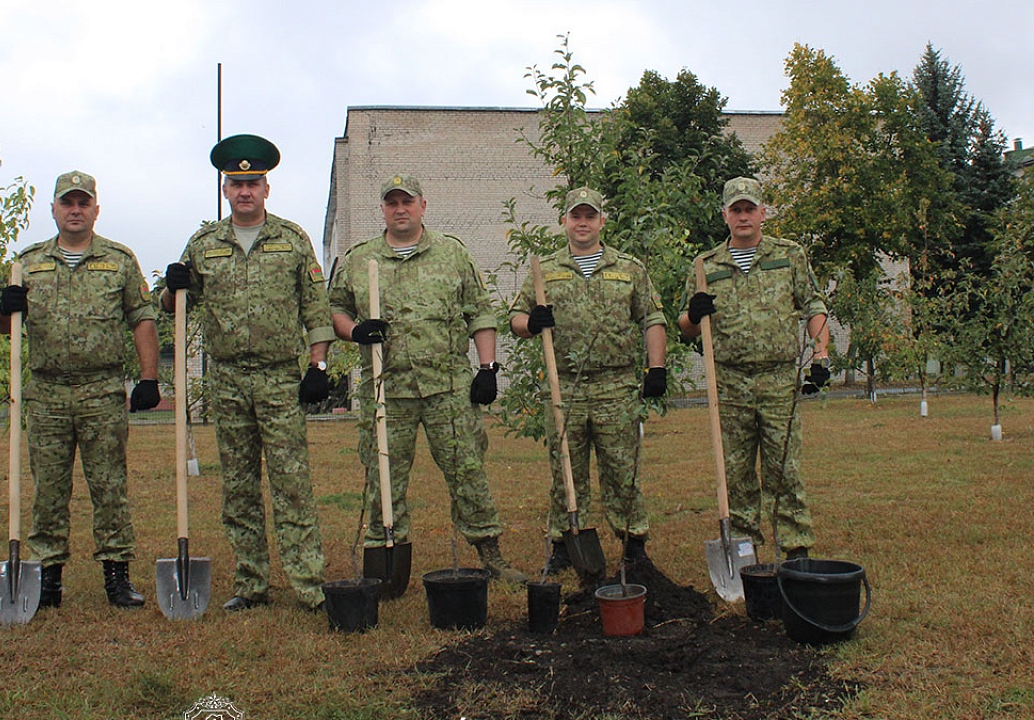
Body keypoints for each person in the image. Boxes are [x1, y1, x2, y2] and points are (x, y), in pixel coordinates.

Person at [160, 134, 331, 612]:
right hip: (229, 378)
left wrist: (317, 365)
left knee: (291, 481)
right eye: (236, 184)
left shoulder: (292, 240)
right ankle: (251, 582)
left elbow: (315, 308)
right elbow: (174, 306)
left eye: (253, 183)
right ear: (225, 190)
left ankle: (307, 581)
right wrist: (173, 286)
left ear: (267, 188)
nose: (245, 192)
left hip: (279, 377)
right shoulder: (204, 244)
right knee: (238, 485)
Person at [329, 174, 525, 584]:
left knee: (467, 471)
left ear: (423, 205)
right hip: (387, 389)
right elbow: (334, 311)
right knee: (382, 476)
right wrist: (355, 331)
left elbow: (481, 312)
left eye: (408, 201)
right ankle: (386, 560)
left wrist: (487, 369)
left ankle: (491, 554)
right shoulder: (359, 260)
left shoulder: (452, 254)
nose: (400, 209)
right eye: (392, 202)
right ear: (382, 209)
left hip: (448, 388)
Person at [0, 170, 161, 609]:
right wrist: (4, 309)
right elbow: (1, 322)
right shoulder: (27, 264)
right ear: (53, 209)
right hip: (47, 393)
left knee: (109, 487)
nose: (75, 210)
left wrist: (148, 378)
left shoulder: (119, 261)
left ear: (96, 210)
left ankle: (117, 576)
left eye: (83, 203)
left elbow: (142, 318)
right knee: (48, 489)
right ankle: (47, 580)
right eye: (67, 203)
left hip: (101, 391)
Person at [510, 187, 668, 580]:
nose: (582, 223)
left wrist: (656, 367)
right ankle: (564, 545)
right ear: (564, 221)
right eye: (575, 216)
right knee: (566, 469)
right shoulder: (544, 270)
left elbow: (652, 318)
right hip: (565, 389)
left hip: (616, 386)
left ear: (601, 221)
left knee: (622, 468)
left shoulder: (629, 268)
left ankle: (634, 547)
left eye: (590, 216)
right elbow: (514, 318)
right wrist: (531, 324)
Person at [678, 176, 831, 561]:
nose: (743, 216)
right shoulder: (706, 266)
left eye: (750, 209)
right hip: (728, 383)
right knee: (737, 472)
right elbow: (685, 326)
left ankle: (796, 550)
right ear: (725, 216)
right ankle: (745, 551)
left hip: (779, 379)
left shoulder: (789, 255)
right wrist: (694, 316)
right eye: (736, 210)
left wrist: (821, 354)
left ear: (763, 213)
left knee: (784, 467)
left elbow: (814, 305)